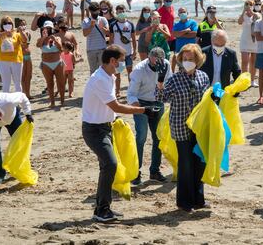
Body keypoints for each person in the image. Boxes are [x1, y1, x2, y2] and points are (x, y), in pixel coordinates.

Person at [82, 45, 160, 222]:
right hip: (94, 130)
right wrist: (144, 110)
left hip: (105, 127)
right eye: (122, 61)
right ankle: (102, 209)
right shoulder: (100, 79)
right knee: (110, 164)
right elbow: (116, 106)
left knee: (107, 166)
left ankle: (103, 208)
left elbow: (112, 106)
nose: (124, 64)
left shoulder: (108, 76)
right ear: (112, 61)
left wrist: (118, 118)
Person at [155, 43, 210, 212]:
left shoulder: (203, 77)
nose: (187, 62)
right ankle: (184, 202)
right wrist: (160, 81)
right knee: (185, 165)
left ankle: (198, 199)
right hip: (180, 127)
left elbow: (207, 99)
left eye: (191, 59)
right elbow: (160, 97)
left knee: (199, 163)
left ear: (198, 60)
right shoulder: (175, 78)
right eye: (184, 59)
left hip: (199, 127)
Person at [127, 47, 172, 185]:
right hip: (141, 102)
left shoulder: (166, 65)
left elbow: (169, 86)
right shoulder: (139, 70)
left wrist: (162, 79)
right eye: (155, 59)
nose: (158, 62)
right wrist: (140, 109)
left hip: (157, 101)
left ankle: (155, 170)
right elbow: (131, 93)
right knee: (141, 137)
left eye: (161, 59)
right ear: (148, 57)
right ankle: (135, 172)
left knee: (158, 136)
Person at [0, 92, 34, 187]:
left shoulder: (8, 101)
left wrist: (27, 113)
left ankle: (19, 168)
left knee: (19, 142)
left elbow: (22, 96)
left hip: (11, 117)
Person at [0, 16, 27, 93]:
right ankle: (6, 103)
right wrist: (4, 33)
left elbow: (25, 40)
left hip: (16, 61)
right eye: (5, 23)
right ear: (2, 25)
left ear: (12, 24)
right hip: (3, 61)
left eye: (9, 23)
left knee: (17, 83)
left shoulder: (16, 34)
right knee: (6, 83)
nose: (7, 24)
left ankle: (18, 102)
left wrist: (21, 31)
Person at [36, 21, 65, 107]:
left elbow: (61, 48)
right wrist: (44, 37)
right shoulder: (41, 39)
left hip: (57, 63)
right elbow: (38, 45)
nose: (48, 30)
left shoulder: (57, 38)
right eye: (46, 28)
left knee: (61, 82)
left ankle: (62, 100)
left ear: (52, 29)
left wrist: (54, 39)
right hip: (46, 64)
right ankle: (52, 102)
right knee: (49, 83)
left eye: (49, 28)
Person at [110, 4, 136, 97]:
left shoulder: (130, 24)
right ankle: (117, 91)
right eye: (119, 12)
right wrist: (111, 52)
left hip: (128, 53)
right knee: (117, 73)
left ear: (125, 12)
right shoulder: (113, 25)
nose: (121, 13)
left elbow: (133, 39)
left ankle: (131, 90)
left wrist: (135, 51)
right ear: (116, 12)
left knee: (130, 72)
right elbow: (111, 39)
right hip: (117, 54)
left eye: (122, 11)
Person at [82, 2, 109, 75]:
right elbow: (85, 34)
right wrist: (91, 26)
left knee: (103, 70)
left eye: (96, 10)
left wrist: (102, 27)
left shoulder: (103, 19)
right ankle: (94, 86)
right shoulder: (86, 21)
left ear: (99, 10)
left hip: (102, 48)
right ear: (90, 11)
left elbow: (108, 33)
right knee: (93, 71)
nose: (95, 12)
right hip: (91, 49)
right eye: (93, 11)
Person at [239, 0, 259, 88]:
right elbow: (239, 22)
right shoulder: (242, 15)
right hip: (245, 40)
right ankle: (244, 81)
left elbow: (258, 19)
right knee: (244, 61)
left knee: (253, 61)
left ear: (253, 5)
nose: (248, 6)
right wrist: (244, 10)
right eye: (247, 4)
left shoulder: (256, 14)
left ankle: (252, 80)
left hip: (254, 41)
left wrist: (251, 11)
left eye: (250, 4)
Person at [158, 0, 176, 68]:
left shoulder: (172, 8)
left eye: (170, 1)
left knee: (176, 55)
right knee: (165, 55)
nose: (168, 2)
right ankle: (164, 70)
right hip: (164, 36)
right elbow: (157, 24)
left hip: (173, 36)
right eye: (166, 1)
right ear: (163, 1)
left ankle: (172, 70)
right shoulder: (160, 10)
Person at [18, 19, 33, 99]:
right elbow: (22, 45)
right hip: (21, 56)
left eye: (24, 24)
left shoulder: (28, 33)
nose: (23, 26)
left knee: (29, 76)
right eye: (21, 24)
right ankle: (23, 94)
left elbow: (27, 44)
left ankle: (28, 93)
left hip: (28, 56)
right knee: (23, 76)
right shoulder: (17, 34)